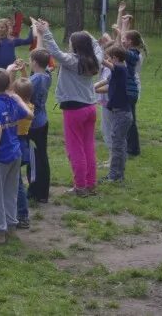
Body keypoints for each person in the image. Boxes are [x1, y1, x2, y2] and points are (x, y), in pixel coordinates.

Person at [34, 18, 102, 197]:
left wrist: (46, 32)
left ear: (76, 46)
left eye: (71, 42)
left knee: (75, 149)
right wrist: (88, 37)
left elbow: (54, 52)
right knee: (88, 147)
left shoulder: (72, 62)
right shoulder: (96, 60)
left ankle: (80, 186)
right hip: (90, 108)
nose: (69, 45)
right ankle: (90, 184)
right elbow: (97, 47)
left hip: (74, 110)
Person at [0, 69, 32, 244]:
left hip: (1, 155)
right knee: (10, 192)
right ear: (8, 86)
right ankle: (11, 226)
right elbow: (30, 114)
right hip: (15, 152)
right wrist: (17, 97)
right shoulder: (12, 101)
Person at [93, 45, 133, 184]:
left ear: (115, 58)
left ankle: (114, 176)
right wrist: (94, 88)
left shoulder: (121, 69)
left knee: (117, 145)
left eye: (109, 57)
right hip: (120, 114)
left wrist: (95, 53)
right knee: (119, 144)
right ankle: (118, 175)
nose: (107, 59)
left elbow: (104, 63)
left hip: (122, 115)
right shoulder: (117, 73)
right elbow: (106, 83)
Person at [117, 4, 145, 157]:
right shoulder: (132, 52)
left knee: (130, 121)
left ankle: (133, 149)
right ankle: (131, 147)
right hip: (128, 90)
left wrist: (123, 27)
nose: (124, 41)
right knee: (129, 120)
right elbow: (121, 42)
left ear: (131, 42)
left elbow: (121, 46)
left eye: (126, 39)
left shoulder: (134, 55)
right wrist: (124, 23)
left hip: (130, 91)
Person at [26, 48, 53, 203]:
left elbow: (21, 91)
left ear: (34, 62)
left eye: (30, 60)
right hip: (43, 119)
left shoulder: (35, 79)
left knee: (34, 158)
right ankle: (43, 191)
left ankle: (36, 191)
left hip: (33, 123)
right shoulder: (47, 75)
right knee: (42, 155)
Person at [11, 74, 34, 229]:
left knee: (17, 182)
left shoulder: (18, 109)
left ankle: (22, 214)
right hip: (25, 142)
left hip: (16, 142)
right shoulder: (30, 106)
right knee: (16, 180)